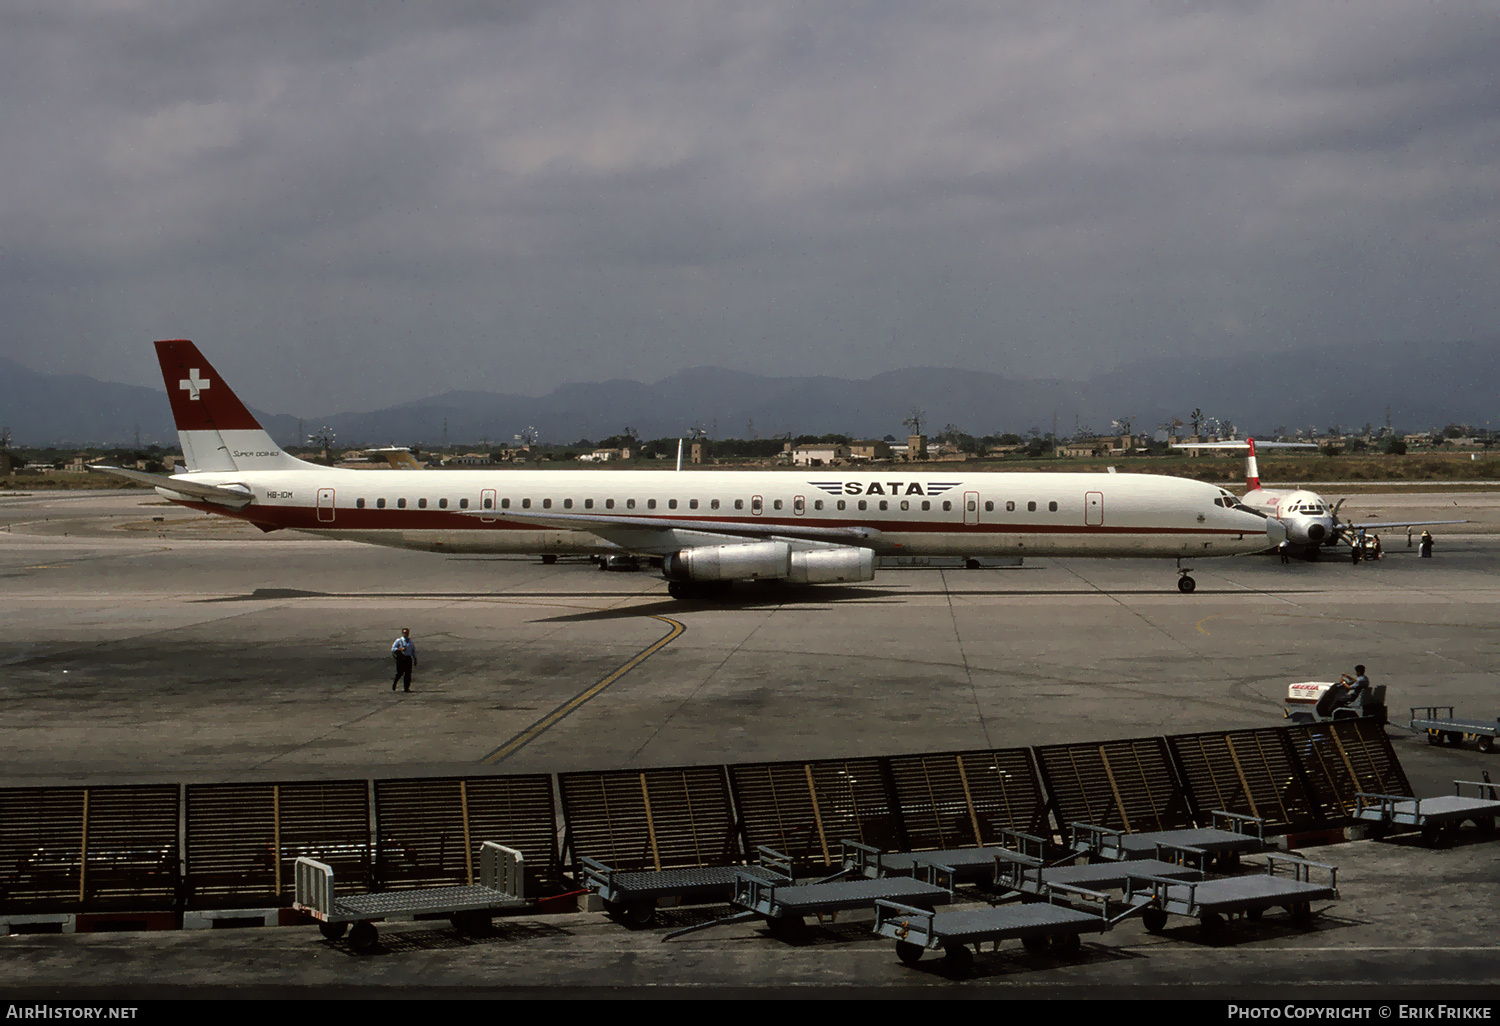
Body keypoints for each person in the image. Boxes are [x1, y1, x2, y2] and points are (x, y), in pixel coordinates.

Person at [391, 628, 417, 692]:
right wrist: (400, 649)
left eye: (407, 633)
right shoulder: (399, 640)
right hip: (401, 658)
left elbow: (413, 650)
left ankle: (406, 688)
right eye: (404, 633)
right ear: (402, 633)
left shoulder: (410, 641)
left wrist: (415, 658)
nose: (406, 634)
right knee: (400, 673)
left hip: (408, 658)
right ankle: (395, 683)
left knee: (408, 674)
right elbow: (393, 649)